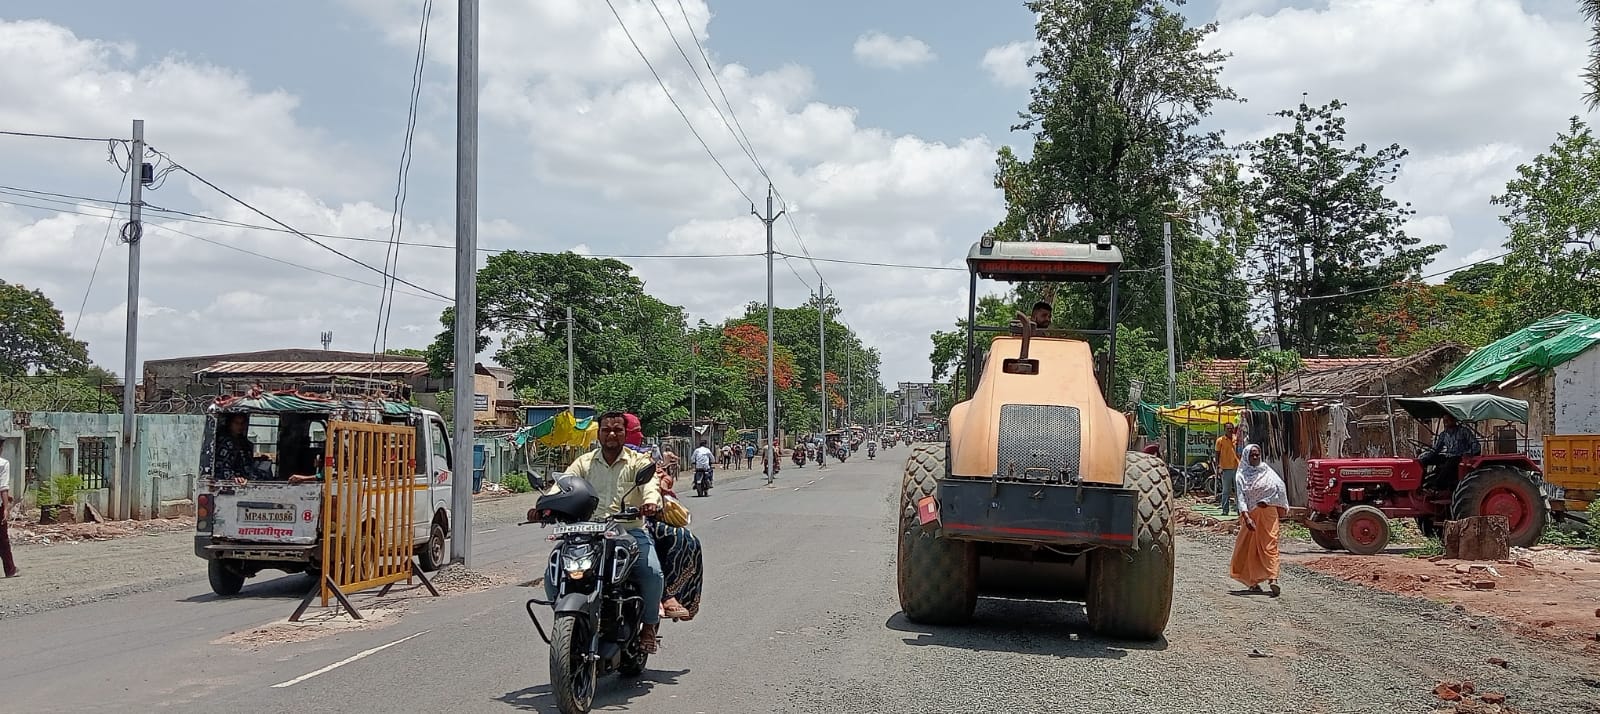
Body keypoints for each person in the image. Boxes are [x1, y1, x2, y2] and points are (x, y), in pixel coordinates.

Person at [558, 412, 667, 651]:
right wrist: (543, 505)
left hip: (629, 531)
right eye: (606, 429)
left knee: (652, 573)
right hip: (588, 532)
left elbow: (651, 485)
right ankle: (564, 620)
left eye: (617, 429)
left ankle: (649, 625)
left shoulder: (638, 462)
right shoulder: (584, 463)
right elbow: (563, 483)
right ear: (598, 434)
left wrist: (650, 502)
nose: (611, 434)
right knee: (554, 568)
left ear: (625, 434)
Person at [648, 453, 704, 621]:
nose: (612, 434)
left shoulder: (640, 458)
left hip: (640, 521)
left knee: (686, 538)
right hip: (600, 524)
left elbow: (661, 480)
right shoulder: (589, 461)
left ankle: (668, 594)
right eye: (606, 430)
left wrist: (655, 494)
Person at [1230, 444, 1290, 597]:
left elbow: (1280, 488)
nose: (1255, 458)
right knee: (1250, 548)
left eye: (1257, 455)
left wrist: (1271, 501)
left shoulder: (1267, 471)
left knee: (1270, 544)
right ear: (1246, 457)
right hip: (1250, 515)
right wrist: (1246, 517)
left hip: (1268, 513)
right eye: (1252, 455)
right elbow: (1241, 497)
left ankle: (1273, 578)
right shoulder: (1241, 475)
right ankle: (1253, 582)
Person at [1421, 414, 1481, 490]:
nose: (1445, 422)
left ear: (1454, 420)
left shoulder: (1464, 431)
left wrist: (1469, 452)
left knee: (1449, 464)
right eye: (1444, 421)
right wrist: (1427, 456)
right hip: (1448, 456)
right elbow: (1436, 449)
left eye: (1447, 420)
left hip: (1460, 457)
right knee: (1425, 460)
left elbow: (1476, 445)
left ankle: (1437, 485)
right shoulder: (1443, 434)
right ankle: (1422, 483)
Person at [214, 413, 256, 485]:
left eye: (242, 423)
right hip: (228, 483)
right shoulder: (225, 443)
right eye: (236, 423)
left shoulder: (243, 442)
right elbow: (221, 465)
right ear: (230, 424)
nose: (240, 426)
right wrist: (233, 478)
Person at [1215, 423, 1241, 515]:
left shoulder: (1237, 438)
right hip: (1226, 468)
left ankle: (1240, 510)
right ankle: (1225, 510)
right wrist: (1218, 467)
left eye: (1231, 428)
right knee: (1226, 491)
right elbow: (1217, 454)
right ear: (1224, 429)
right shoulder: (1220, 440)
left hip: (1237, 467)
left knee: (1239, 491)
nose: (1230, 430)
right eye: (1228, 428)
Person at [0, 454, 17, 578]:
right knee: (3, 539)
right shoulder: (3, 463)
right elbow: (3, 488)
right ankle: (10, 569)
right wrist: (6, 508)